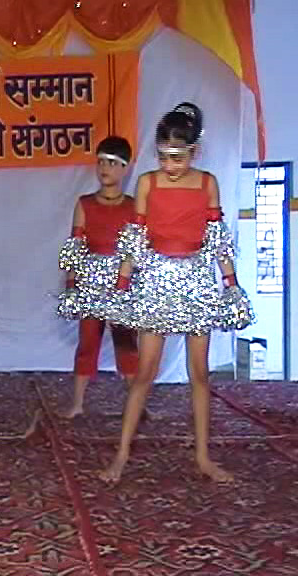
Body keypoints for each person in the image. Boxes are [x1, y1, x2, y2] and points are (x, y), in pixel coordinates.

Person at [98, 103, 253, 484]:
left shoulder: (207, 183)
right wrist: (121, 286)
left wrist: (231, 284)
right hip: (156, 281)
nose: (170, 165)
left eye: (178, 158)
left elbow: (217, 240)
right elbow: (135, 240)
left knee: (199, 373)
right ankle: (121, 455)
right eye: (163, 157)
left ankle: (203, 457)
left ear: (194, 152)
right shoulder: (147, 183)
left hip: (197, 282)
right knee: (145, 373)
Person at [55, 136, 139, 418]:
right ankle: (77, 404)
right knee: (87, 342)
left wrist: (125, 285)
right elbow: (75, 248)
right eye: (101, 162)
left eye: (112, 163)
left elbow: (136, 251)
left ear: (124, 168)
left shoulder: (133, 207)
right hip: (90, 286)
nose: (105, 168)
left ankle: (137, 404)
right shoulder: (84, 204)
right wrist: (71, 286)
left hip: (122, 285)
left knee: (126, 344)